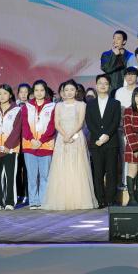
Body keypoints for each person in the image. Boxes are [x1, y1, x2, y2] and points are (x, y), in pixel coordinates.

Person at [42, 80, 98, 210]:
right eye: (66, 90)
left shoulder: (81, 105)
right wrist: (64, 135)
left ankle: (78, 200)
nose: (69, 92)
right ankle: (62, 199)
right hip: (62, 139)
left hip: (76, 137)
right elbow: (57, 124)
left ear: (76, 91)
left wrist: (71, 134)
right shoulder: (58, 105)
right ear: (63, 92)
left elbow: (80, 123)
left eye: (72, 90)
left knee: (78, 166)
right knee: (62, 167)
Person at [85, 74, 122, 208]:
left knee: (111, 172)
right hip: (96, 143)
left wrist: (106, 135)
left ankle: (111, 199)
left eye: (105, 83)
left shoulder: (115, 103)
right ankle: (100, 199)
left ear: (109, 86)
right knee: (98, 173)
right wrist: (100, 137)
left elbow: (115, 121)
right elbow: (89, 122)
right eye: (100, 83)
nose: (102, 85)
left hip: (111, 142)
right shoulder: (90, 104)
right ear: (96, 85)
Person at [19, 80, 55, 210]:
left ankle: (43, 200)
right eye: (36, 90)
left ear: (45, 91)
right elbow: (24, 126)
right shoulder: (26, 107)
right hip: (30, 146)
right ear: (33, 92)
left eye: (41, 90)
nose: (39, 93)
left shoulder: (52, 106)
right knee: (32, 176)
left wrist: (41, 141)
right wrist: (32, 140)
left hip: (46, 145)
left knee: (45, 176)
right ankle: (33, 201)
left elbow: (52, 126)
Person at [0, 84, 21, 210]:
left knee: (10, 176)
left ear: (10, 95)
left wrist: (7, 145)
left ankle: (10, 202)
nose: (2, 96)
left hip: (10, 149)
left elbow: (17, 130)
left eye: (5, 93)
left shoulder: (17, 110)